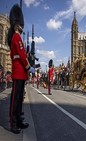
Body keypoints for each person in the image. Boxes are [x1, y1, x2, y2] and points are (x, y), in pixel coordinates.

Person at [7, 4, 30, 134]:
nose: (21, 26)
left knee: (19, 98)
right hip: (18, 71)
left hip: (21, 72)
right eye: (20, 24)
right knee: (15, 99)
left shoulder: (17, 37)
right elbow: (21, 55)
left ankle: (19, 121)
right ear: (17, 24)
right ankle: (13, 123)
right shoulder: (16, 37)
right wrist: (29, 67)